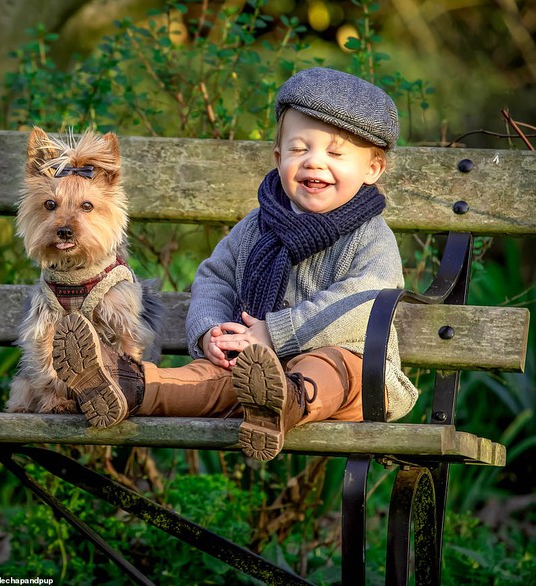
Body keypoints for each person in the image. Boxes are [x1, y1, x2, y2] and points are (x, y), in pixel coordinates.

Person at [52, 67, 419, 461]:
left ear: (372, 169)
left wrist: (274, 334)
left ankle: (285, 402)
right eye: (299, 149)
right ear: (278, 157)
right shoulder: (257, 225)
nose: (314, 163)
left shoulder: (370, 236)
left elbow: (363, 301)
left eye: (334, 152)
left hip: (352, 375)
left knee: (329, 364)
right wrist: (211, 331)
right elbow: (215, 276)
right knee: (205, 379)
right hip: (253, 370)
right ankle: (123, 387)